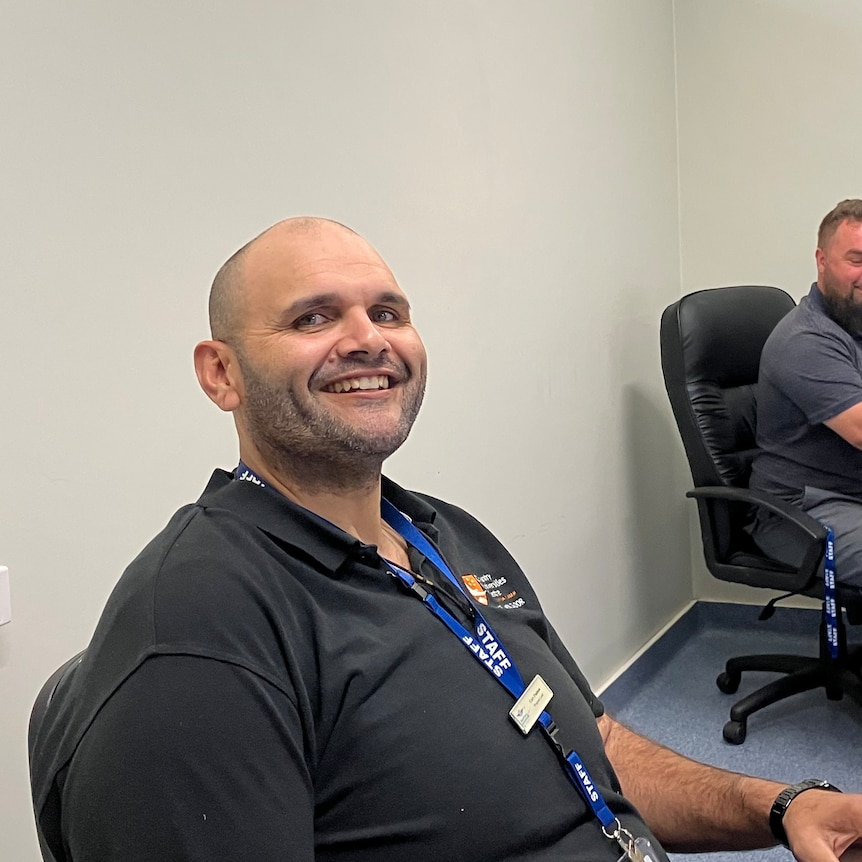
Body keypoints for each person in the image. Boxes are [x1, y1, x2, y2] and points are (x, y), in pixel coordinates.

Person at [31, 217, 862, 862]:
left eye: (386, 311)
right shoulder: (201, 625)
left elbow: (592, 742)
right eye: (312, 317)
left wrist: (782, 805)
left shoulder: (443, 533)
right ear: (221, 373)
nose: (367, 338)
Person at [749, 199, 862, 589]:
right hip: (801, 511)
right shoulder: (807, 340)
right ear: (822, 260)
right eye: (857, 259)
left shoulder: (854, 324)